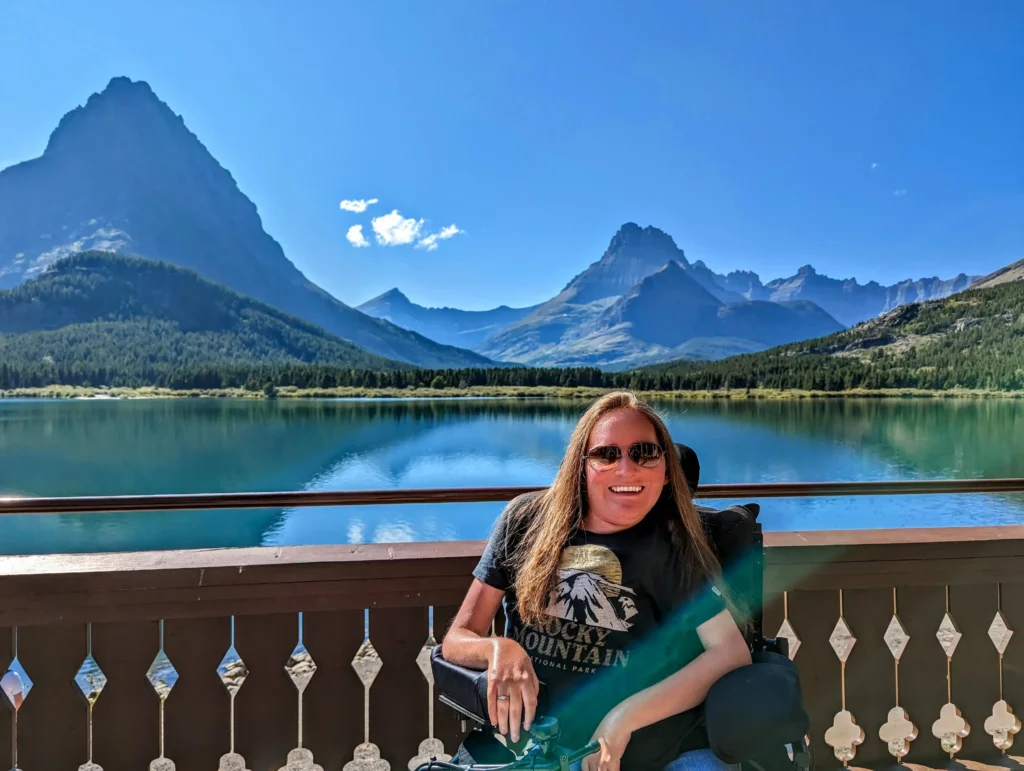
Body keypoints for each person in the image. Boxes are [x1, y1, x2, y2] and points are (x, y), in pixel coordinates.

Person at [442, 391, 751, 771]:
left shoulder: (675, 546)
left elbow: (729, 653)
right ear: (581, 465)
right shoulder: (526, 521)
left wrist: (623, 719)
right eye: (607, 454)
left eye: (645, 453)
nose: (626, 469)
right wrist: (499, 651)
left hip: (638, 752)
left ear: (666, 470)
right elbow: (458, 638)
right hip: (529, 749)